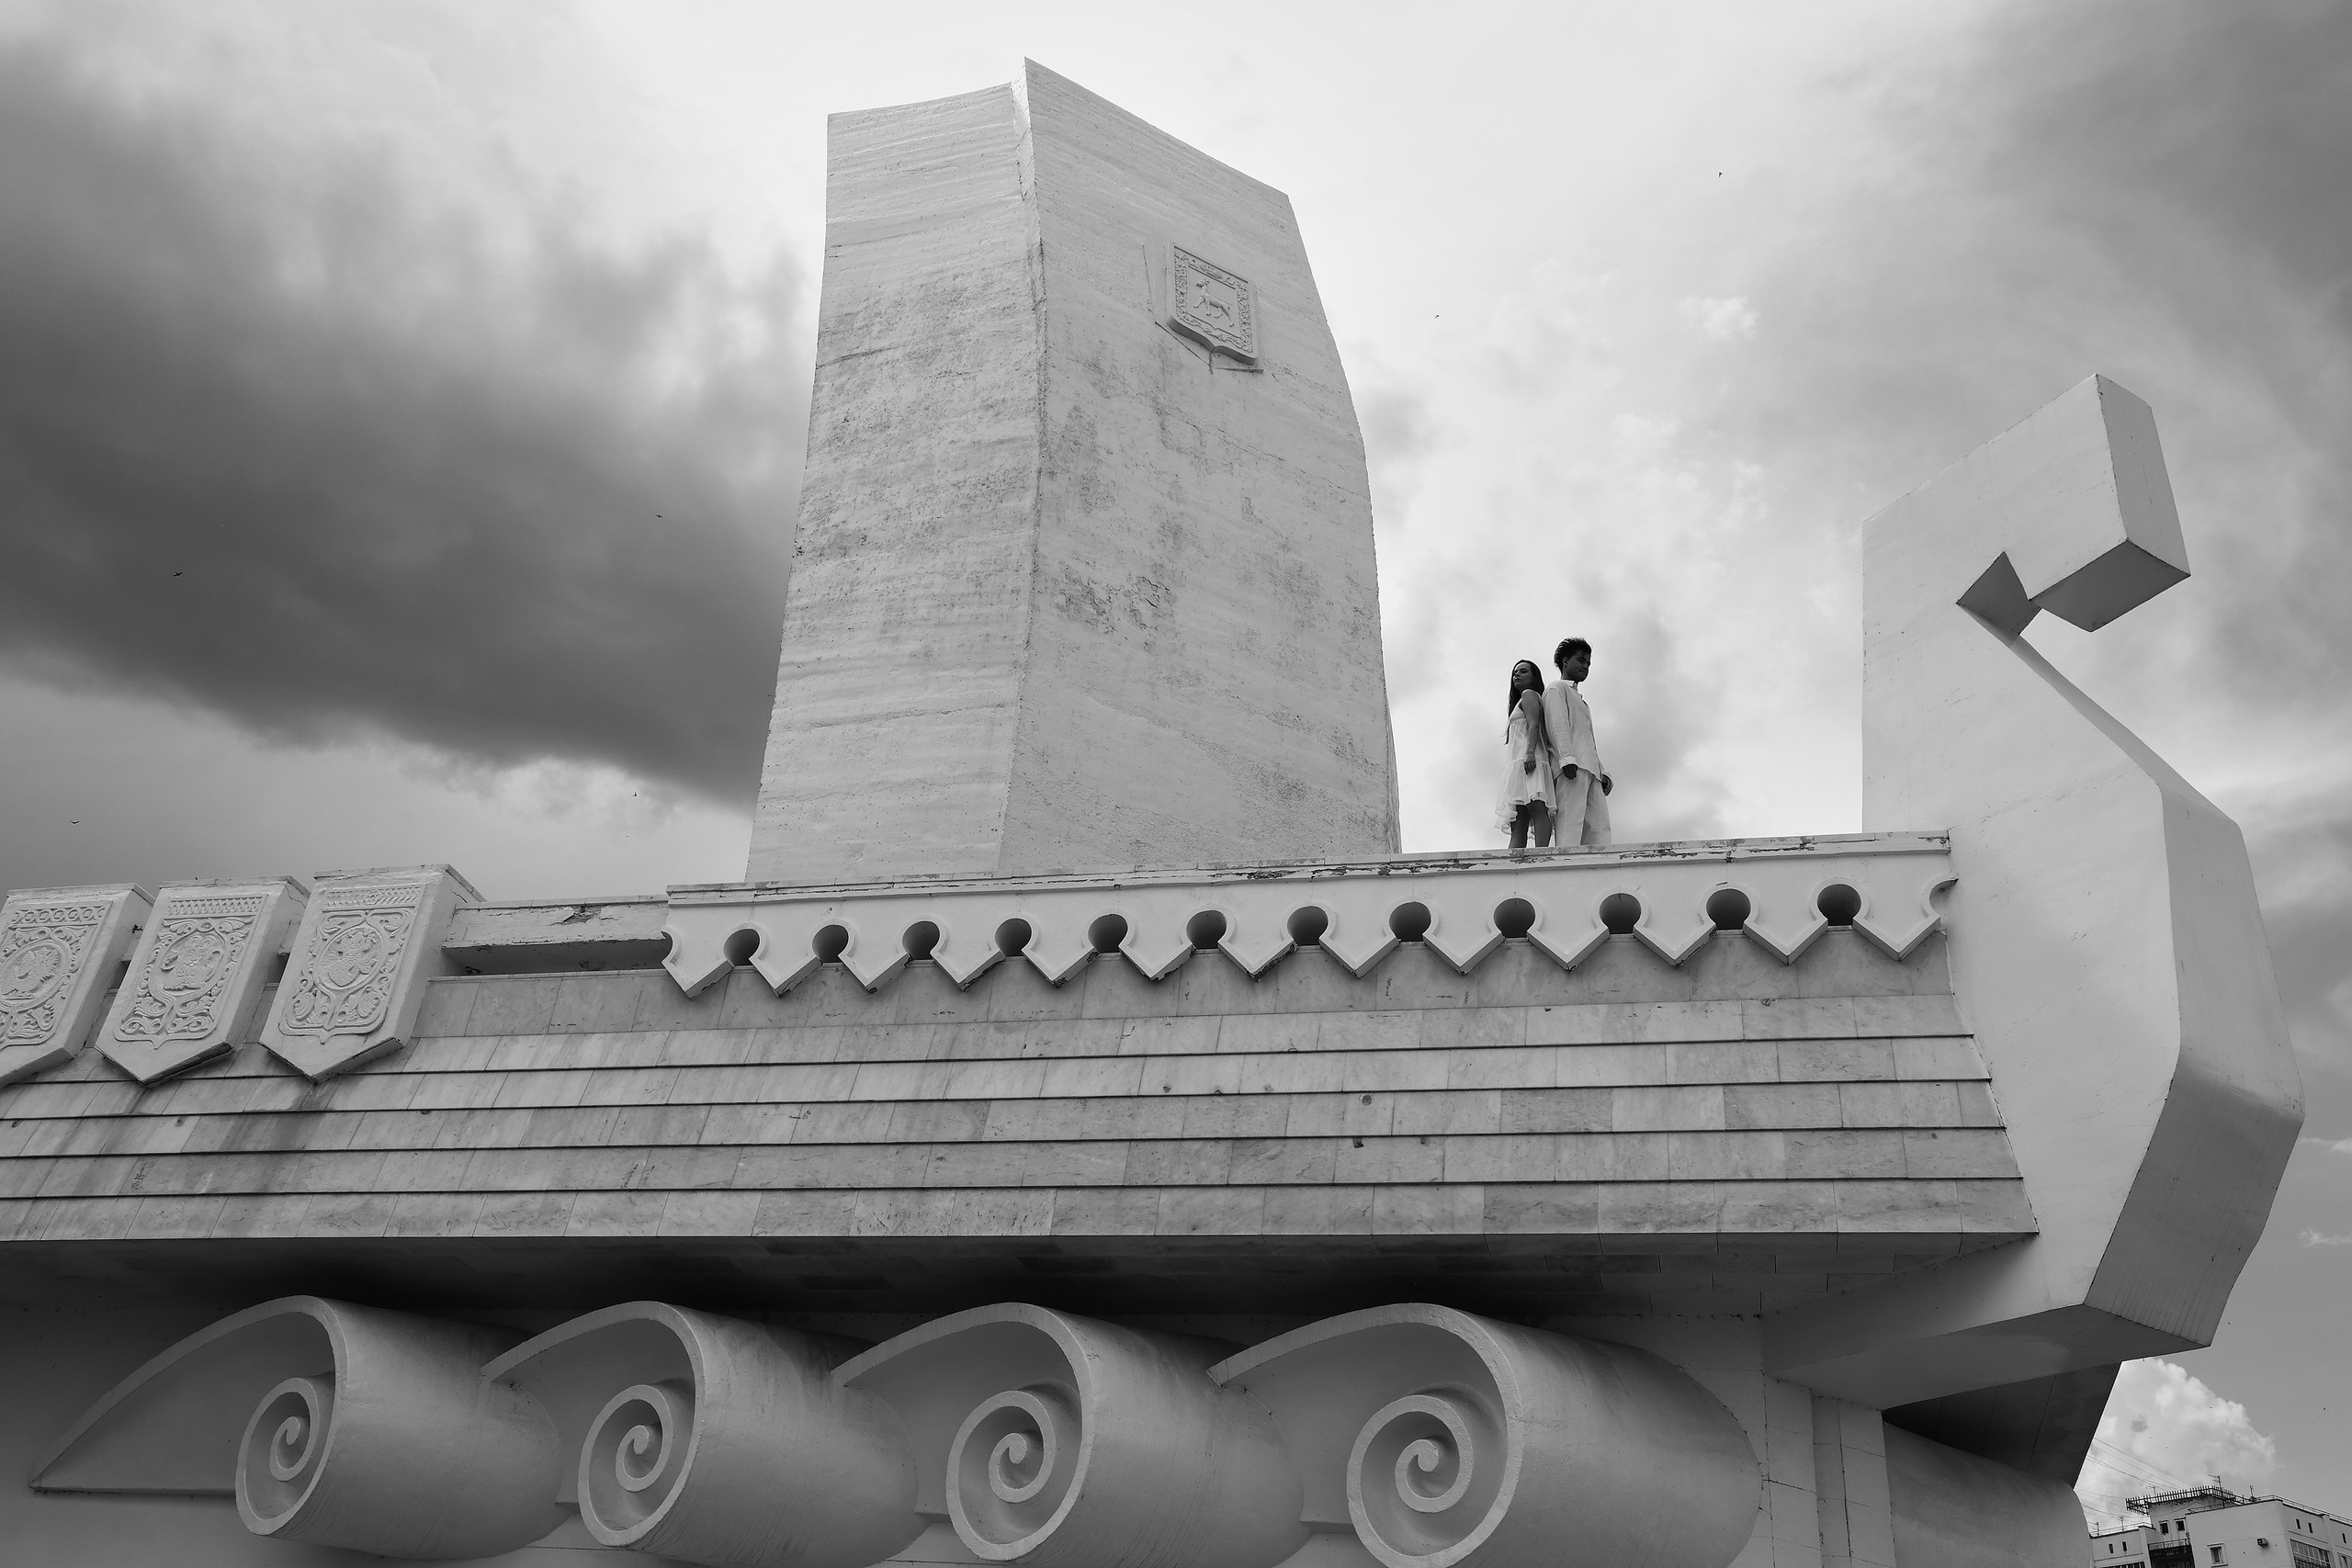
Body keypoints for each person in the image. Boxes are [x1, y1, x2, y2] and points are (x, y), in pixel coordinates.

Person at [1541, 637, 1612, 846]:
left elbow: (1588, 740)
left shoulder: (1582, 701)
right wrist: (1567, 758)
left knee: (1599, 829)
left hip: (1591, 770)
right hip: (1571, 768)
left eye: (1588, 663)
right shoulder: (1557, 688)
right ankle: (1565, 874)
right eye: (1581, 660)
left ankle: (1600, 875)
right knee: (1570, 825)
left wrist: (1603, 771)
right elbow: (1558, 725)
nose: (1585, 666)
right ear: (1565, 661)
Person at [1494, 659, 1555, 848]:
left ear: (1533, 677)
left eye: (1523, 671)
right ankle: (1513, 863)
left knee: (1536, 807)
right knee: (1518, 819)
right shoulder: (1519, 701)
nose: (1517, 675)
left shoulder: (1530, 695)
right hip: (1518, 763)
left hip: (1529, 759)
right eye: (1515, 673)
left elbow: (1534, 724)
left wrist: (1529, 753)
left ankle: (1541, 855)